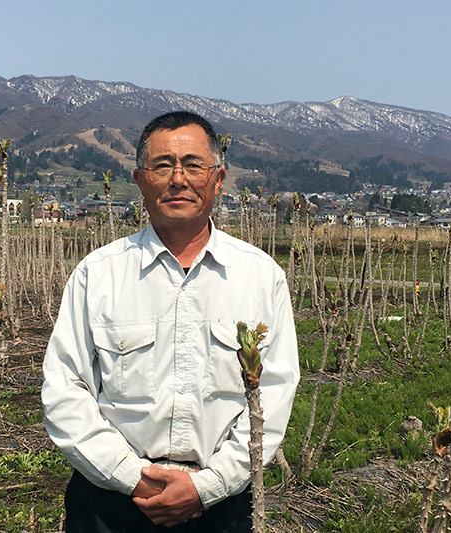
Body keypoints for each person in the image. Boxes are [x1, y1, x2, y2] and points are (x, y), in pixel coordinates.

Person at [41, 111, 299, 532]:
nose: (178, 179)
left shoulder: (261, 276)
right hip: (111, 504)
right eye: (162, 165)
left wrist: (209, 486)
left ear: (218, 179)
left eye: (194, 165)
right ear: (140, 180)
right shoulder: (98, 274)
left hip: (221, 505)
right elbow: (64, 390)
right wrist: (132, 478)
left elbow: (273, 393)